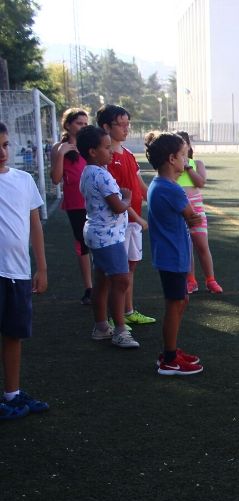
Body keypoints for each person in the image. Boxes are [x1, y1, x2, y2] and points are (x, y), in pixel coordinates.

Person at [0, 121, 49, 420]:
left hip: (18, 273)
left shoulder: (23, 180)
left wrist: (41, 266)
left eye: (4, 145)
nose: (2, 152)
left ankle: (13, 394)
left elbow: (34, 226)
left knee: (14, 335)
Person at [144, 132, 204, 376]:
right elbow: (192, 217)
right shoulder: (171, 189)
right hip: (172, 255)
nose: (186, 159)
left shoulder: (160, 185)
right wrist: (193, 216)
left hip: (172, 254)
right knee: (175, 303)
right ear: (171, 159)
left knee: (181, 300)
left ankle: (172, 350)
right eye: (182, 155)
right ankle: (169, 359)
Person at [77, 125, 138, 349]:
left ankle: (101, 327)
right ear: (92, 151)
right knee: (120, 280)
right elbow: (118, 206)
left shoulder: (89, 171)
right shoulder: (101, 174)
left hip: (97, 233)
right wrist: (127, 198)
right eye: (106, 147)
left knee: (102, 282)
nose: (111, 151)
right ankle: (120, 330)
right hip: (107, 237)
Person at [97, 104, 155, 327]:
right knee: (116, 272)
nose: (125, 128)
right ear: (105, 126)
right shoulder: (107, 159)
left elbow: (138, 185)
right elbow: (117, 196)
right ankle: (115, 316)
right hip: (119, 224)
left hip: (134, 222)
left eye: (127, 123)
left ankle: (128, 310)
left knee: (130, 266)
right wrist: (138, 218)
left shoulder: (129, 154)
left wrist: (155, 202)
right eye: (120, 124)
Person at [50, 108, 93, 304]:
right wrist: (61, 154)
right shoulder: (59, 147)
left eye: (85, 123)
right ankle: (89, 288)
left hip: (95, 201)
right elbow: (56, 179)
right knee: (82, 245)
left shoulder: (90, 145)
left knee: (100, 243)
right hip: (75, 204)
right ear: (68, 125)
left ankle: (104, 284)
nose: (83, 126)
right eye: (79, 123)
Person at [174, 132, 223, 295]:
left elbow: (200, 182)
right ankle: (191, 281)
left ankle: (211, 280)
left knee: (202, 245)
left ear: (188, 145)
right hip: (179, 208)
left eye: (184, 144)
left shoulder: (197, 164)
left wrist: (187, 166)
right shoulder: (172, 165)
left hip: (196, 208)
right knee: (186, 246)